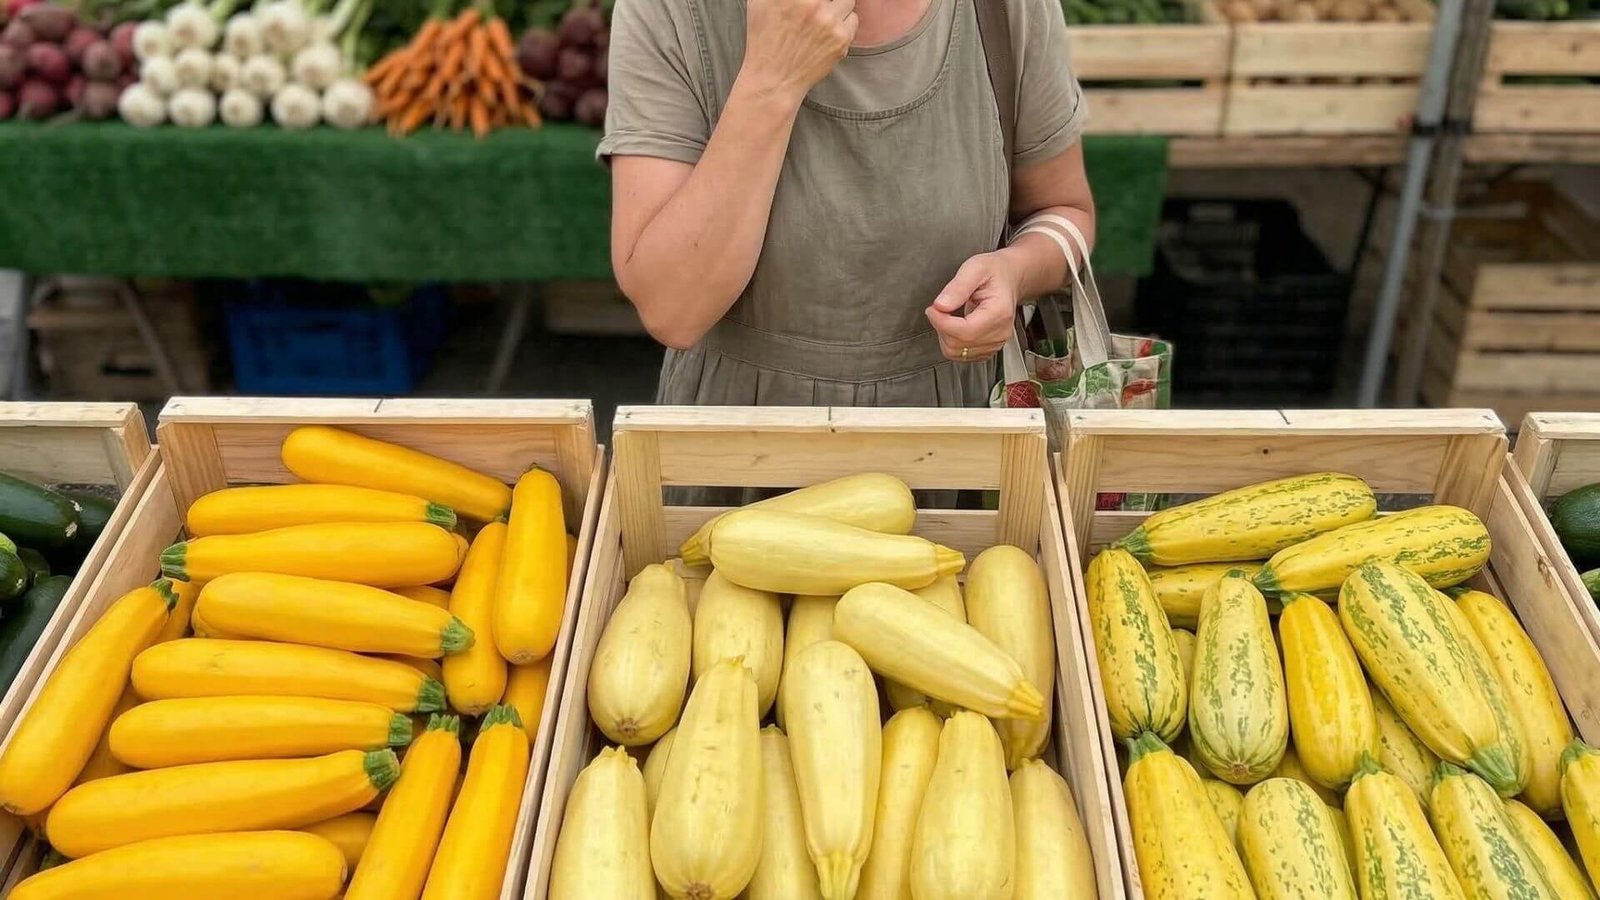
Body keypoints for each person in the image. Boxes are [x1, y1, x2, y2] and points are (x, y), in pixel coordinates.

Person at [601, 0, 1095, 410]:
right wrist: (772, 78)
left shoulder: (1005, 10)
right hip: (735, 450)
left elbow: (1064, 211)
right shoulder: (672, 11)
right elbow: (673, 309)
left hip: (963, 445)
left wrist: (1015, 271)